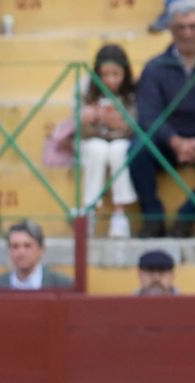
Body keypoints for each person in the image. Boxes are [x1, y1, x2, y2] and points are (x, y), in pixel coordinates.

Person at [131, 0, 195, 238]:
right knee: (137, 151)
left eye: (194, 27)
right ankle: (153, 217)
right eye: (181, 27)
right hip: (168, 142)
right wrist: (175, 141)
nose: (187, 33)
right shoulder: (155, 67)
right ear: (171, 30)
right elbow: (148, 115)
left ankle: (188, 216)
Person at [77, 44, 137, 239]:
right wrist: (97, 119)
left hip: (119, 142)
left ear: (125, 73)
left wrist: (113, 124)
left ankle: (120, 213)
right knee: (97, 150)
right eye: (105, 74)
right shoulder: (86, 91)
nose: (110, 80)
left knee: (119, 150)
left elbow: (132, 128)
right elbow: (82, 130)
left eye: (116, 74)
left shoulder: (132, 94)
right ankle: (90, 209)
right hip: (93, 142)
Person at [0, 220, 73, 290]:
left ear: (41, 250)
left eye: (27, 246)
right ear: (9, 250)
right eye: (15, 246)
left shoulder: (63, 286)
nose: (21, 252)